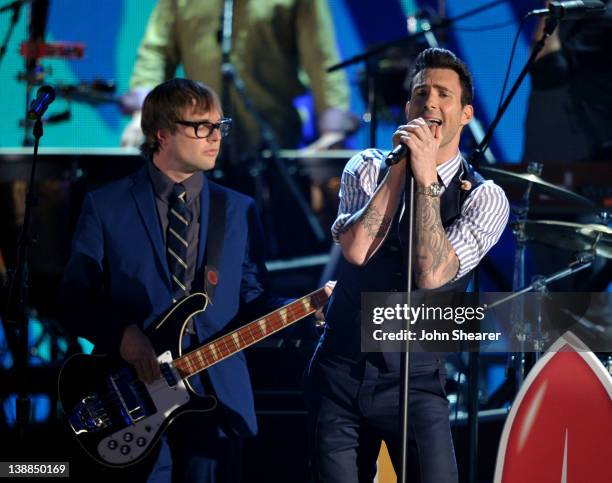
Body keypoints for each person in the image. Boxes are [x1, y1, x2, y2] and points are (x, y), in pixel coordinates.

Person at [60, 78, 284, 482]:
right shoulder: (106, 205)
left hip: (217, 398)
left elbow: (254, 295)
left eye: (220, 125)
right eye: (202, 126)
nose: (215, 137)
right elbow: (75, 297)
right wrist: (124, 334)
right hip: (135, 393)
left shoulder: (238, 209)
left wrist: (302, 310)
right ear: (162, 134)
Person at [306, 48, 509, 482]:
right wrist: (400, 169)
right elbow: (358, 250)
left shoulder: (485, 197)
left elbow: (433, 274)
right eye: (421, 93)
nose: (430, 103)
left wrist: (427, 181)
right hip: (341, 371)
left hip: (416, 381)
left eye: (443, 94)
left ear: (465, 113)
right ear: (408, 108)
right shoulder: (366, 166)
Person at [120, 0, 357, 158]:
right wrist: (143, 113)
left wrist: (333, 130)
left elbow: (321, 56)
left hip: (274, 141)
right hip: (197, 140)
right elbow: (157, 51)